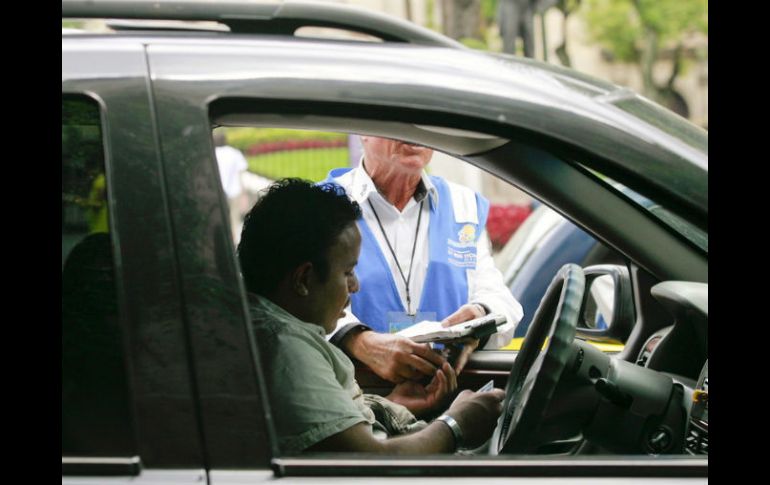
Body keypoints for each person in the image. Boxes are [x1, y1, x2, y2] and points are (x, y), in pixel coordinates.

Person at [237, 178, 505, 454]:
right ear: (303, 278)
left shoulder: (280, 334)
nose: (356, 286)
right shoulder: (286, 350)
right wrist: (456, 424)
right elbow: (369, 463)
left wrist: (391, 406)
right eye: (348, 272)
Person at [324, 136, 524, 383]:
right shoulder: (323, 203)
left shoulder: (463, 205)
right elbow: (291, 311)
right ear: (363, 131)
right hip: (359, 396)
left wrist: (480, 315)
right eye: (398, 120)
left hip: (450, 390)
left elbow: (502, 301)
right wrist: (358, 341)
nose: (413, 133)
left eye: (422, 123)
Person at [213, 131, 249, 240]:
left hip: (217, 193)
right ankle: (233, 243)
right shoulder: (234, 153)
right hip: (234, 191)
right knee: (234, 220)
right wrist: (244, 195)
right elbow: (240, 175)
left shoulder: (212, 153)